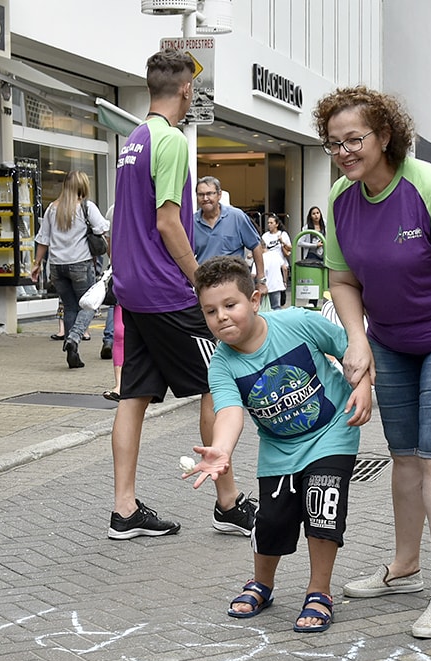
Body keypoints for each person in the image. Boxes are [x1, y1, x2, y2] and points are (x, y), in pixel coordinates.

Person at [315, 85, 431, 639]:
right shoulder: (339, 199)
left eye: (355, 139)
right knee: (403, 456)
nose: (345, 152)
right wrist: (358, 339)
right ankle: (404, 569)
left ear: (385, 136)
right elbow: (343, 278)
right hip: (393, 338)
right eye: (334, 143)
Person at [108, 50, 256, 540]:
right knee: (220, 383)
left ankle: (124, 510)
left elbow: (124, 224)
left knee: (134, 396)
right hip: (168, 293)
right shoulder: (169, 141)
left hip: (134, 290)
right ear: (186, 91)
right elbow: (168, 221)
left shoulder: (132, 139)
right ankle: (228, 503)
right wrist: (200, 282)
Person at [188, 256, 371, 633]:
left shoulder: (296, 323)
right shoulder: (222, 364)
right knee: (271, 520)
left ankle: (319, 591)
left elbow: (351, 350)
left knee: (322, 507)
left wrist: (364, 385)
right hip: (279, 447)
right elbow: (229, 412)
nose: (221, 317)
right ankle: (262, 583)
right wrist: (221, 449)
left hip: (332, 431)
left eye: (230, 305)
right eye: (210, 311)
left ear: (255, 300)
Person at [29, 170, 109, 369]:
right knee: (90, 305)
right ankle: (73, 338)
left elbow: (43, 239)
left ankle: (73, 350)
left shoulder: (51, 209)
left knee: (70, 306)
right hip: (80, 264)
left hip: (56, 267)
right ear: (82, 186)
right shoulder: (86, 207)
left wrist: (37, 264)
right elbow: (102, 229)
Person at [193, 175, 266, 288]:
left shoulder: (237, 216)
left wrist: (261, 281)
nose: (205, 198)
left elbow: (256, 246)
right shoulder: (192, 222)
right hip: (206, 285)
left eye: (210, 193)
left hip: (234, 283)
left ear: (219, 195)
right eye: (201, 194)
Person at [260, 213, 292, 309]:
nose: (269, 225)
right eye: (268, 223)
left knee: (280, 294)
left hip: (281, 264)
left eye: (271, 222)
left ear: (276, 224)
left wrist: (282, 241)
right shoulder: (265, 236)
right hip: (269, 265)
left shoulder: (282, 234)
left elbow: (290, 248)